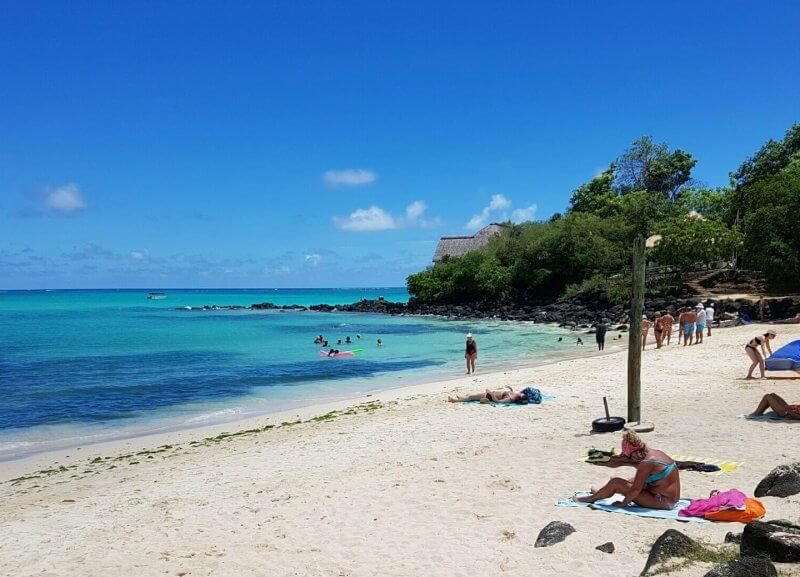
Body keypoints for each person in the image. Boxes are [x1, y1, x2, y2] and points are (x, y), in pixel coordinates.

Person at [576, 430, 680, 510]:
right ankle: (602, 493)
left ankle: (589, 499)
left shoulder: (647, 463)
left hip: (664, 502)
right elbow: (641, 468)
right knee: (631, 481)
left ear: (634, 453)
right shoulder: (654, 453)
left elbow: (635, 490)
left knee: (616, 482)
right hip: (669, 498)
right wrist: (623, 461)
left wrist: (622, 504)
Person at [447, 386, 530, 404]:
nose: (521, 393)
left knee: (472, 397)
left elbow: (497, 401)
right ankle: (463, 398)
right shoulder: (513, 395)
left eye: (521, 394)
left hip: (489, 396)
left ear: (519, 397)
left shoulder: (509, 399)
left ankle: (455, 400)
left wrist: (490, 393)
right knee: (472, 396)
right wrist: (510, 390)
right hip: (491, 394)